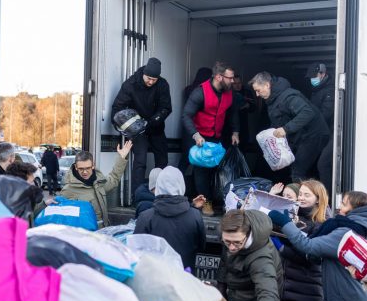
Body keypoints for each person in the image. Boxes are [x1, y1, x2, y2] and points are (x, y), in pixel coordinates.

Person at [182, 61, 240, 216]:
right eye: (230, 78)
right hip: (200, 137)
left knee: (218, 170)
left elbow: (233, 113)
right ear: (219, 77)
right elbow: (186, 115)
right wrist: (195, 135)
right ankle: (206, 203)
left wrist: (235, 132)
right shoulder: (200, 92)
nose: (232, 81)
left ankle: (221, 201)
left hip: (218, 137)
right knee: (201, 171)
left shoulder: (229, 93)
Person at [251, 72, 329, 183]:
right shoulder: (272, 101)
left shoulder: (288, 96)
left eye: (258, 90)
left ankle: (302, 198)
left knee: (298, 170)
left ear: (267, 85)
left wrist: (286, 129)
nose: (257, 94)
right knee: (291, 168)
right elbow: (278, 123)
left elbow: (307, 112)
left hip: (314, 135)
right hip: (301, 137)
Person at [277, 179, 329, 301]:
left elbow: (311, 257)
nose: (301, 198)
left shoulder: (321, 224)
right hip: (287, 291)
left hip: (307, 294)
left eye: (307, 195)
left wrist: (281, 248)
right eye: (300, 194)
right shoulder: (294, 218)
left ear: (318, 199)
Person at [111, 57, 172, 191]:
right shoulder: (130, 84)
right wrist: (120, 125)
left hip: (156, 126)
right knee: (140, 161)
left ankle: (161, 193)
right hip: (137, 130)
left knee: (162, 160)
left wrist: (152, 121)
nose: (150, 82)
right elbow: (117, 108)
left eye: (154, 80)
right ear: (144, 73)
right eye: (148, 78)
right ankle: (136, 196)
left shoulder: (162, 85)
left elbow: (166, 108)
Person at [217, 209, 283, 301]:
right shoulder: (230, 233)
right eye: (227, 242)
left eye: (237, 242)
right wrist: (220, 291)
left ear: (248, 235)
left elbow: (268, 294)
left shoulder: (261, 259)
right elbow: (224, 262)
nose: (231, 247)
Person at [134, 167, 206, 271]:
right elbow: (201, 246)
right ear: (182, 185)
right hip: (186, 278)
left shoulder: (145, 217)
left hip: (155, 280)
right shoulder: (195, 215)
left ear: (158, 186)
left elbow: (136, 251)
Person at [60, 142, 133, 229]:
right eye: (81, 169)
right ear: (76, 167)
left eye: (87, 168)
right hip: (83, 236)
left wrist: (121, 158)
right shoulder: (68, 190)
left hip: (103, 231)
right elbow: (61, 217)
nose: (85, 172)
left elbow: (114, 178)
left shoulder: (99, 183)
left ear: (93, 166)